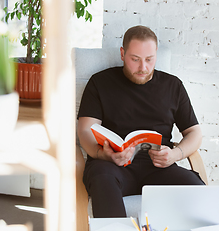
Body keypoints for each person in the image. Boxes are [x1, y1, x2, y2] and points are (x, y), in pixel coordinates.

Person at [77, 25, 205, 218]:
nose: (142, 67)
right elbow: (85, 129)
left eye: (149, 60)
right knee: (102, 178)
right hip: (112, 166)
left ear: (156, 55)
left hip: (159, 168)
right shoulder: (100, 82)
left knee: (197, 190)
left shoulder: (173, 86)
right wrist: (103, 155)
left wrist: (175, 155)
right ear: (122, 53)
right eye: (135, 59)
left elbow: (194, 132)